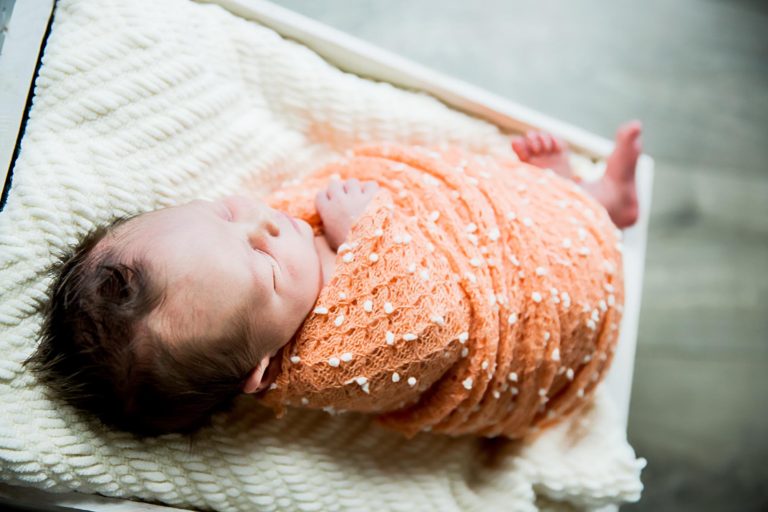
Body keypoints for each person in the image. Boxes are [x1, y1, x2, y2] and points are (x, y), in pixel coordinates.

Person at [25, 122, 642, 438]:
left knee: (511, 205)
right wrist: (368, 232)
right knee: (540, 255)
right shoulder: (335, 361)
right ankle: (592, 208)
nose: (265, 225)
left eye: (225, 215)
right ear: (262, 367)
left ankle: (585, 197)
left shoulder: (257, 262)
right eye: (263, 268)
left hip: (475, 233)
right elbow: (436, 329)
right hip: (536, 310)